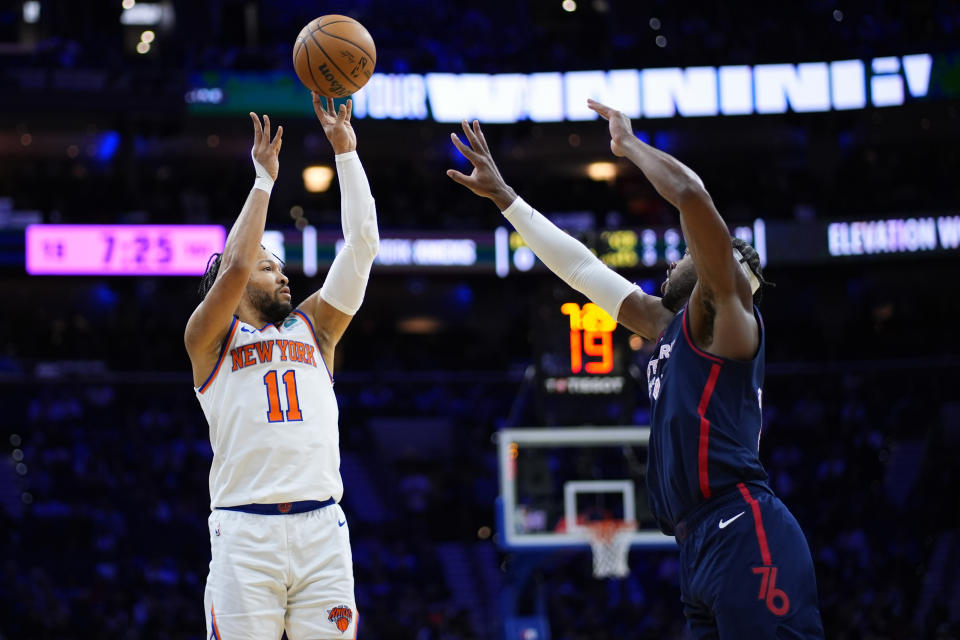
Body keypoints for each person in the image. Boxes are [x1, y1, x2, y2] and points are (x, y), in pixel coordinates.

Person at [446, 100, 825, 638]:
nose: (675, 259)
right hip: (697, 545)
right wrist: (506, 199)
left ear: (721, 268)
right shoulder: (668, 326)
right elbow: (581, 268)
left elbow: (692, 196)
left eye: (692, 251)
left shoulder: (731, 322)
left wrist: (628, 145)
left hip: (743, 530)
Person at [184, 94, 378, 639]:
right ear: (235, 285)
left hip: (323, 530)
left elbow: (362, 247)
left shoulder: (315, 326)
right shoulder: (209, 338)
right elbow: (238, 261)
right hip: (246, 534)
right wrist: (263, 180)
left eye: (281, 266)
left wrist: (346, 154)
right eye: (271, 269)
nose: (282, 275)